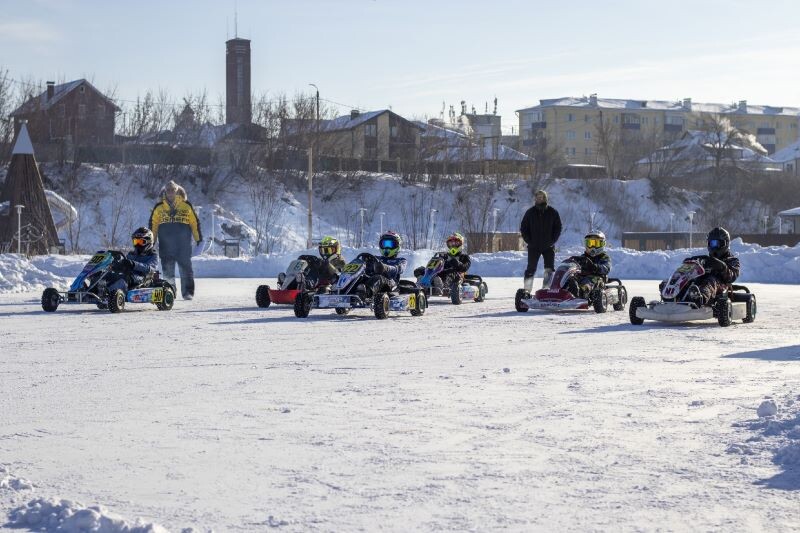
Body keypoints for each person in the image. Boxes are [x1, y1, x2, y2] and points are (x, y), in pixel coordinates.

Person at [149, 180, 202, 300]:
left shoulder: (186, 206)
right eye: (168, 190)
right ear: (165, 192)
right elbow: (154, 225)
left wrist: (198, 239)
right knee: (168, 271)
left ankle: (188, 292)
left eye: (173, 190)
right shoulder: (159, 207)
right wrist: (152, 241)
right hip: (166, 245)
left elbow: (194, 223)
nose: (171, 192)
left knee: (186, 269)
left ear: (177, 191)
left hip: (183, 245)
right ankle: (170, 292)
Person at [683, 227, 740, 306]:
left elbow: (731, 277)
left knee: (711, 281)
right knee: (688, 279)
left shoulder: (732, 260)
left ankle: (700, 299)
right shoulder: (706, 260)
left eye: (716, 243)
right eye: (711, 243)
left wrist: (722, 267)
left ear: (725, 243)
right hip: (701, 284)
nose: (713, 247)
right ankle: (672, 296)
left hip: (720, 287)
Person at [520, 189, 562, 295]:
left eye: (541, 197)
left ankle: (546, 290)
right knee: (530, 269)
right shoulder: (530, 212)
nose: (539, 199)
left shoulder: (553, 212)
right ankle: (527, 290)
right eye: (537, 197)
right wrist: (529, 240)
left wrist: (553, 240)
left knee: (549, 269)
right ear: (535, 199)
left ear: (545, 198)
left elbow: (558, 227)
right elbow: (524, 228)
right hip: (534, 246)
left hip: (548, 246)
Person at [105, 227, 159, 296]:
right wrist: (116, 265)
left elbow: (149, 268)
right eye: (136, 242)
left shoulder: (153, 256)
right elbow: (126, 264)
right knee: (108, 275)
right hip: (129, 275)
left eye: (141, 242)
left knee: (125, 277)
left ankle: (114, 294)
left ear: (149, 242)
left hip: (142, 278)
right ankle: (95, 290)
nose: (138, 245)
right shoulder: (131, 254)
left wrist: (133, 264)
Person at [565, 230, 612, 298]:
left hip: (597, 278)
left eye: (596, 243)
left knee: (590, 280)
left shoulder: (604, 257)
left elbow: (606, 268)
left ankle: (583, 291)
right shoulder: (583, 257)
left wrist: (595, 267)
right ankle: (561, 291)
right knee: (570, 279)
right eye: (590, 243)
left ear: (602, 244)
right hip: (582, 276)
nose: (593, 247)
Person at [363, 231, 407, 296]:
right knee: (361, 277)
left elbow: (400, 269)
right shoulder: (376, 258)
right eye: (384, 244)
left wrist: (386, 268)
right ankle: (349, 291)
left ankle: (366, 294)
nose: (386, 247)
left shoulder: (401, 260)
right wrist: (366, 262)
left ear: (397, 245)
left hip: (392, 285)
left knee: (379, 278)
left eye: (390, 244)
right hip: (375, 282)